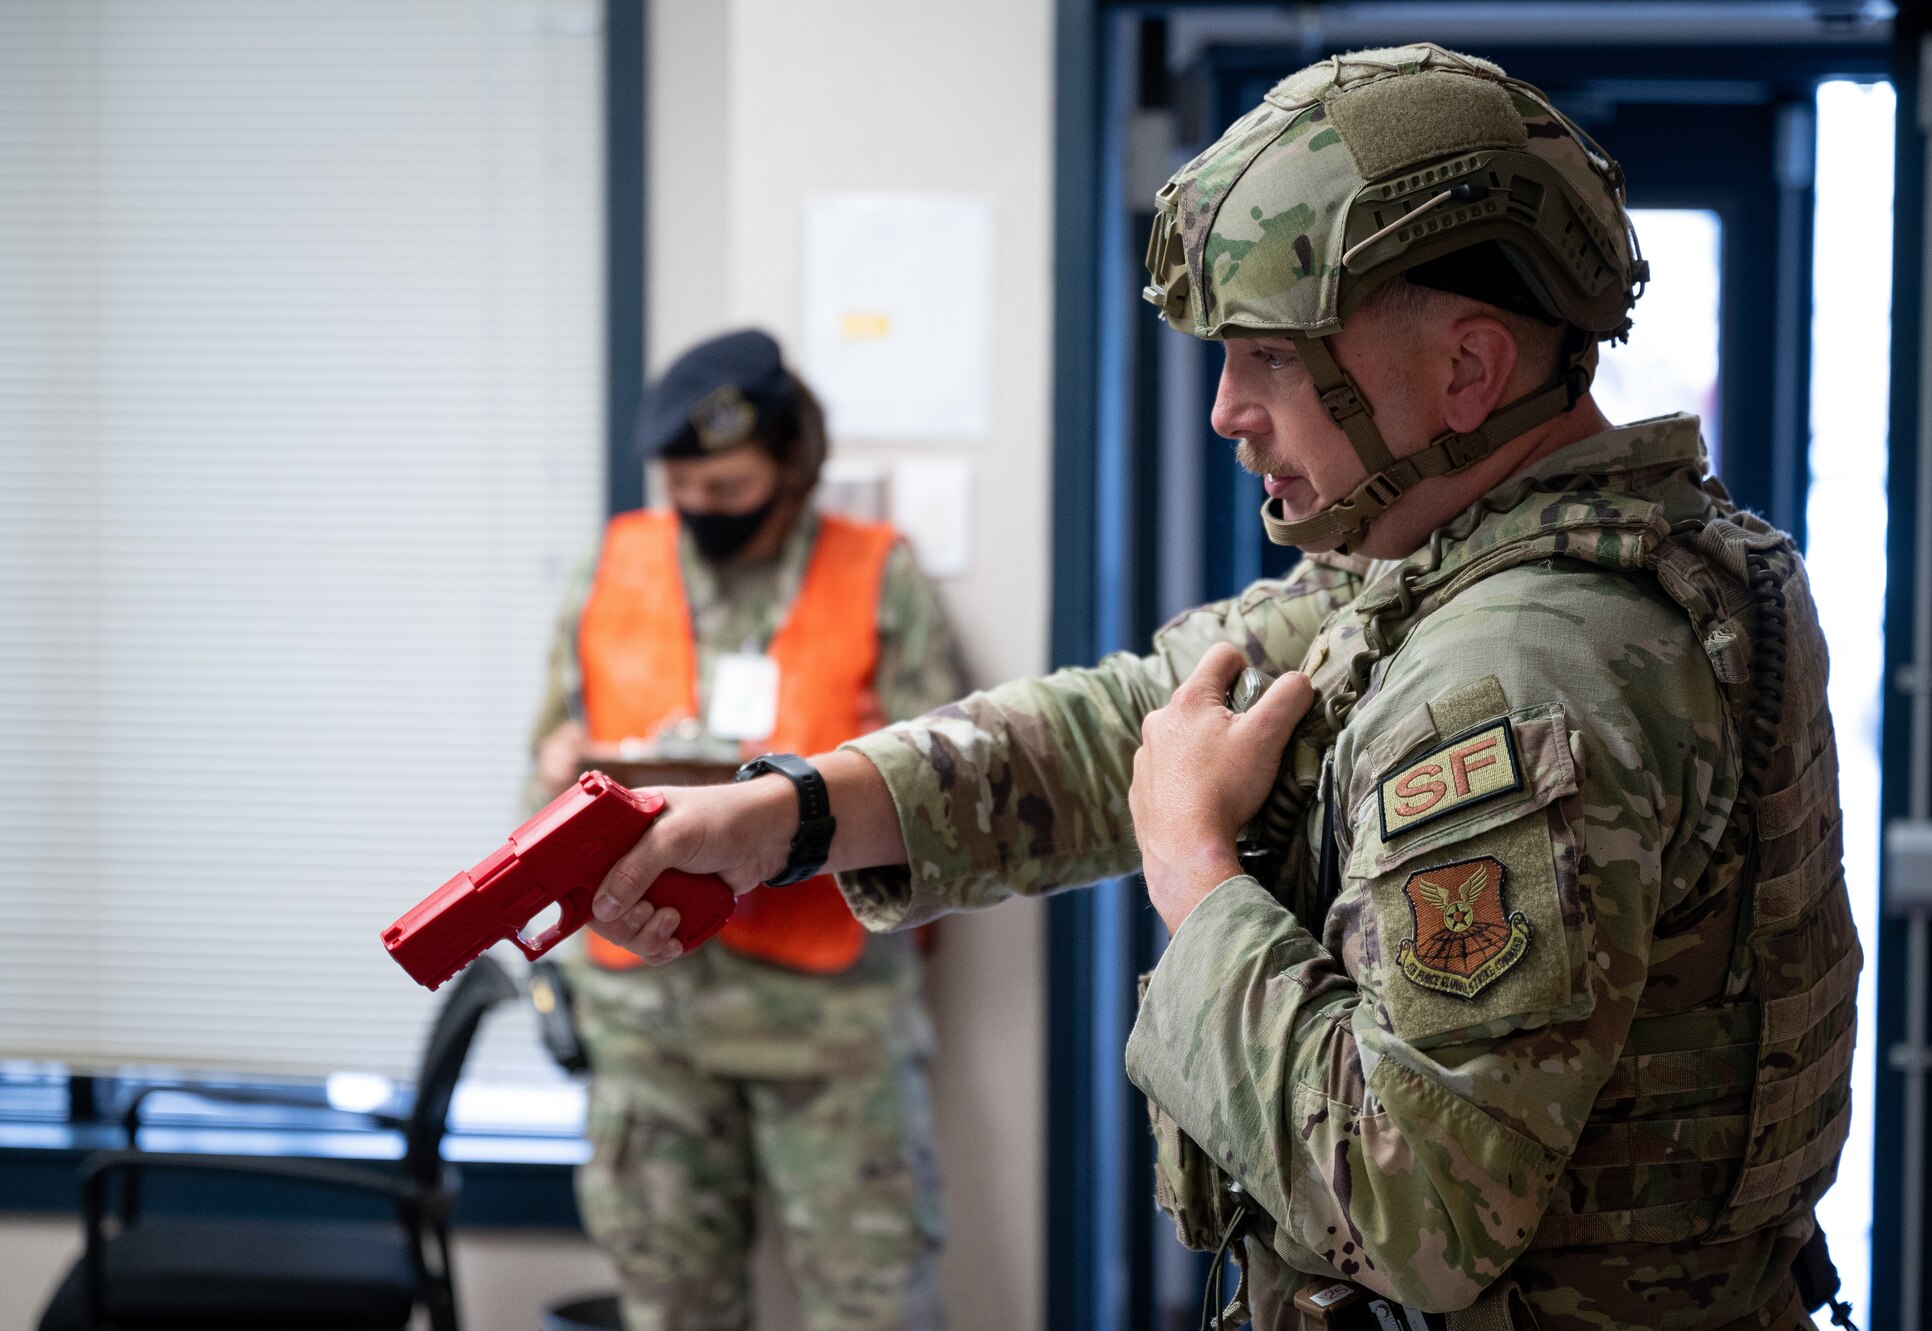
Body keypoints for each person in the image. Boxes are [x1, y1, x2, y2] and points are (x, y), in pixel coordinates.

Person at [585, 47, 1858, 1331]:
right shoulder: (1528, 557)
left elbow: (1415, 1207)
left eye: (1267, 356)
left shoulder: (1514, 671)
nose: (1224, 410)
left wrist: (1192, 866)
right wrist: (789, 813)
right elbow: (1132, 721)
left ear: (1467, 369)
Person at [529, 328, 967, 1331]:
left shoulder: (876, 573)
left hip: (827, 1023)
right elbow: (542, 763)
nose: (699, 512)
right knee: (668, 1305)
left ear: (790, 465)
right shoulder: (614, 563)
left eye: (725, 489)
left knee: (872, 1306)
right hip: (648, 1027)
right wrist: (560, 767)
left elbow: (943, 797)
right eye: (682, 489)